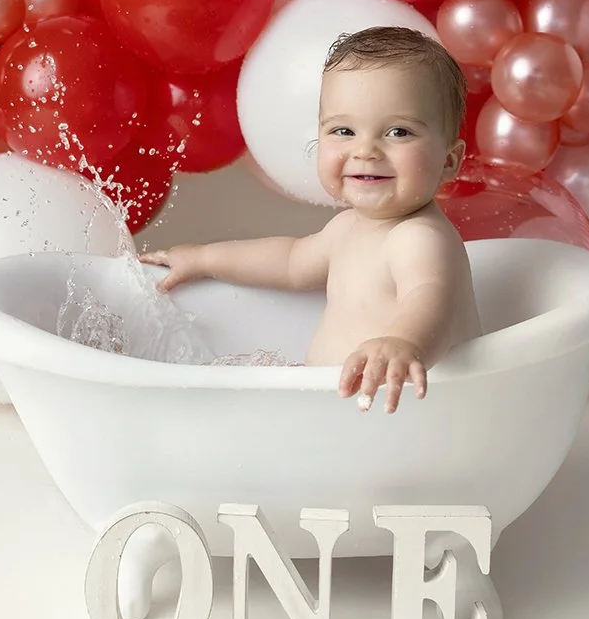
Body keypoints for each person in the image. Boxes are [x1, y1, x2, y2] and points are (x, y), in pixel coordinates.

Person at [140, 26, 481, 414]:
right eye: (344, 130)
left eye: (398, 132)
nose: (365, 150)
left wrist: (403, 344)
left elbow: (429, 299)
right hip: (340, 415)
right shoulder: (347, 229)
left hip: (402, 416)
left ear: (449, 160)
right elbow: (289, 261)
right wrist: (203, 258)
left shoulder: (419, 237)